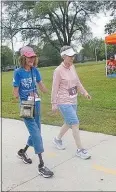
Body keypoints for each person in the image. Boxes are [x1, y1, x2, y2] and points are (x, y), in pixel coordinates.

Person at [12, 46, 54, 178]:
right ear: (23, 58)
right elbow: (15, 93)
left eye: (33, 57)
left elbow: (41, 85)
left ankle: (22, 152)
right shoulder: (18, 72)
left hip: (37, 103)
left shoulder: (35, 71)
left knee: (36, 132)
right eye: (29, 57)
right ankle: (41, 165)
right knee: (36, 134)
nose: (32, 59)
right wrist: (22, 95)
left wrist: (52, 95)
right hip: (26, 106)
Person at [51, 45, 92, 160]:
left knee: (69, 122)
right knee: (75, 122)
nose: (72, 58)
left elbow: (77, 82)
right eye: (70, 56)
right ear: (63, 56)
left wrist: (84, 93)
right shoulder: (58, 71)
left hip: (73, 99)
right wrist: (54, 103)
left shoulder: (72, 67)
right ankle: (80, 149)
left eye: (73, 55)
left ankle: (57, 139)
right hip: (63, 101)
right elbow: (54, 88)